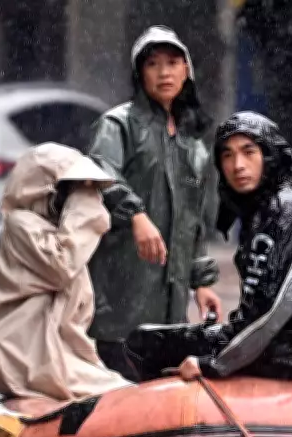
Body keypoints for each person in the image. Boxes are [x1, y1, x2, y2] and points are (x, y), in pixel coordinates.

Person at [123, 111, 292, 385]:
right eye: (227, 155)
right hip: (280, 343)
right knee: (146, 341)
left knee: (152, 348)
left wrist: (212, 363)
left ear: (269, 156)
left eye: (248, 152)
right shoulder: (260, 211)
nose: (237, 165)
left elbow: (274, 309)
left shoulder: (290, 209)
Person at [86, 25, 221, 380]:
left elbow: (192, 223)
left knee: (165, 392)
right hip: (121, 295)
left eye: (173, 63)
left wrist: (201, 282)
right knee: (121, 392)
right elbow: (100, 172)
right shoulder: (117, 125)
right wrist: (136, 215)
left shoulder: (193, 144)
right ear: (139, 73)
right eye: (153, 64)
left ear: (186, 70)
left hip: (171, 309)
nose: (164, 73)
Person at [0, 142, 133, 401]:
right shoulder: (22, 225)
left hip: (55, 352)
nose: (80, 196)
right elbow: (62, 266)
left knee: (127, 392)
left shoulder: (55, 230)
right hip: (27, 354)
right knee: (124, 397)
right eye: (72, 188)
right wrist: (85, 208)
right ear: (45, 189)